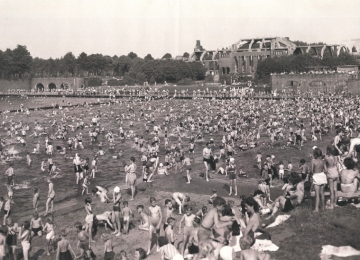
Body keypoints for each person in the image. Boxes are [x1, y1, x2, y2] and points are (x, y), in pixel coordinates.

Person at [311, 147, 327, 212]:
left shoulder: (313, 161)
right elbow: (326, 170)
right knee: (322, 193)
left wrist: (313, 173)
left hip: (316, 176)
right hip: (322, 175)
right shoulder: (323, 161)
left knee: (317, 194)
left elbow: (312, 170)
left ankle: (316, 208)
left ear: (315, 155)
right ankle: (323, 207)